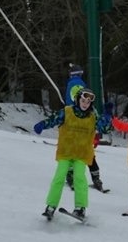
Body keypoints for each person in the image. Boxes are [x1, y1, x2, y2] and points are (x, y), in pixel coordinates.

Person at [33, 86, 99, 221]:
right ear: (77, 100)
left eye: (88, 102)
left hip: (82, 154)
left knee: (79, 178)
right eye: (83, 101)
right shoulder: (67, 112)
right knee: (59, 177)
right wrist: (42, 124)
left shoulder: (93, 116)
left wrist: (108, 117)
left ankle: (80, 208)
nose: (85, 104)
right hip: (66, 152)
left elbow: (105, 127)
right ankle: (51, 206)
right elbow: (53, 120)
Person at [64, 64, 108, 193]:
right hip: (85, 130)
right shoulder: (82, 85)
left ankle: (71, 176)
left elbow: (70, 103)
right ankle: (96, 178)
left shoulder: (71, 85)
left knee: (72, 153)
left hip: (74, 127)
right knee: (89, 155)